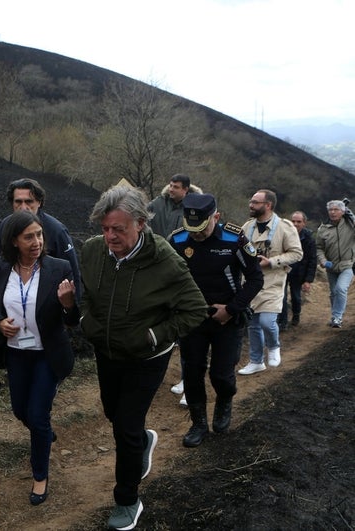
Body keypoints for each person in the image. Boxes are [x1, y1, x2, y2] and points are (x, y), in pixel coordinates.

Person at [79, 185, 206, 530]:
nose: (110, 236)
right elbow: (85, 293)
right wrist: (84, 320)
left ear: (140, 224)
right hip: (107, 352)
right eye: (105, 229)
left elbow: (195, 309)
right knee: (112, 412)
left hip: (147, 357)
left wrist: (153, 335)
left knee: (125, 426)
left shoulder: (164, 260)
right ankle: (143, 441)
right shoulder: (92, 251)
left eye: (118, 229)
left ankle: (127, 500)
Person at [0, 210, 79, 506]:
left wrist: (68, 305)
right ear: (14, 241)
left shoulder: (59, 267)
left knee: (38, 415)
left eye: (39, 235)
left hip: (47, 354)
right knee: (20, 410)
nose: (36, 241)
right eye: (29, 237)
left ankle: (40, 475)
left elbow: (73, 319)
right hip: (17, 353)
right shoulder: (1, 267)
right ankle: (44, 434)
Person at [169, 193, 263, 447]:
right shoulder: (177, 241)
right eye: (192, 229)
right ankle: (198, 423)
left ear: (216, 217)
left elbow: (255, 279)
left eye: (202, 228)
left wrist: (232, 309)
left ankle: (224, 401)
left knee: (221, 375)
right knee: (192, 372)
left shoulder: (235, 240)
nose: (197, 235)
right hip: (192, 319)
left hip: (227, 319)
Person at [147, 174, 202, 406]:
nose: (171, 189)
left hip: (183, 267)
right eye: (170, 185)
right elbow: (143, 222)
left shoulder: (195, 206)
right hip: (155, 265)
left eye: (176, 187)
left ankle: (187, 379)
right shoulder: (156, 204)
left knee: (188, 327)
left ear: (186, 190)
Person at [238, 189, 303, 375]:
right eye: (251, 201)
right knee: (253, 323)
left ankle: (274, 346)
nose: (251, 205)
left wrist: (272, 262)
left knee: (267, 321)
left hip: (273, 280)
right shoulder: (247, 226)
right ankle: (256, 360)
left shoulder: (284, 227)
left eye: (256, 202)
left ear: (268, 205)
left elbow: (297, 253)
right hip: (250, 281)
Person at [0, 178, 81, 302]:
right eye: (18, 202)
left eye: (29, 202)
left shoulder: (56, 231)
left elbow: (73, 274)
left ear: (39, 202)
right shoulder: (5, 226)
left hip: (47, 305)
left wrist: (73, 310)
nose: (23, 207)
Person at [315, 199, 355, 328]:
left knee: (340, 289)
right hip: (330, 267)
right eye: (330, 210)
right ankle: (335, 316)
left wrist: (350, 214)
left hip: (347, 265)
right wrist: (323, 260)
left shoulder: (350, 225)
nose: (333, 212)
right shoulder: (323, 228)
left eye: (336, 210)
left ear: (342, 212)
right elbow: (319, 247)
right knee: (333, 292)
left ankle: (337, 317)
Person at [277, 211, 317, 330]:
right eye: (293, 221)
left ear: (304, 223)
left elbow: (312, 260)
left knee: (296, 297)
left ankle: (295, 316)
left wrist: (308, 280)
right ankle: (282, 322)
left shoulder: (309, 238)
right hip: (283, 270)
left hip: (299, 273)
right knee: (281, 297)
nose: (295, 224)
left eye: (299, 222)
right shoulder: (282, 234)